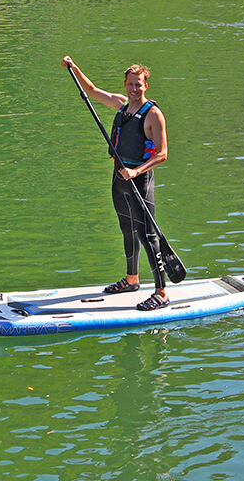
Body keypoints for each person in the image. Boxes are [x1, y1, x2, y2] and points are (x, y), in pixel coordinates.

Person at [61, 56, 169, 311]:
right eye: (130, 84)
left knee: (147, 235)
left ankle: (161, 292)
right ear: (125, 85)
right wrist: (74, 67)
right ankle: (132, 280)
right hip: (119, 178)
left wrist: (136, 171)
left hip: (140, 180)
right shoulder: (121, 104)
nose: (134, 89)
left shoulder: (153, 115)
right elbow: (91, 90)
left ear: (145, 86)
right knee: (127, 230)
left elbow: (163, 154)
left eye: (138, 84)